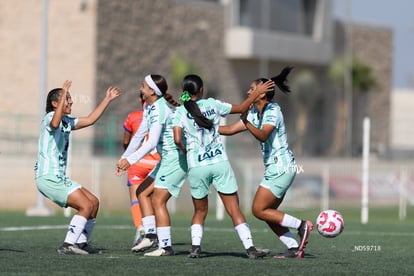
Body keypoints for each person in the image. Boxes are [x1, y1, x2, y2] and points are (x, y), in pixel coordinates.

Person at [172, 74, 275, 259]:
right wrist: (256, 93)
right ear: (201, 89)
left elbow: (177, 139)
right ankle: (250, 248)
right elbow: (242, 108)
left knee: (200, 211)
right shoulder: (212, 104)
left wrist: (186, 151)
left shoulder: (180, 112)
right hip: (219, 163)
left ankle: (195, 247)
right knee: (234, 209)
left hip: (197, 166)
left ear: (185, 92)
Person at [218, 66, 313, 259]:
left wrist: (247, 121)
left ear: (262, 93)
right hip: (276, 168)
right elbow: (228, 130)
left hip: (282, 167)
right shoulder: (253, 113)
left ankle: (302, 225)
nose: (248, 92)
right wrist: (203, 127)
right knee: (268, 212)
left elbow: (263, 135)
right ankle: (294, 247)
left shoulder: (273, 110)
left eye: (252, 89)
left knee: (258, 210)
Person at [34, 80, 121, 255]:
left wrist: (107, 99)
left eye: (70, 98)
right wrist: (64, 89)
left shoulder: (66, 121)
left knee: (94, 202)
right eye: (67, 98)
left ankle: (81, 243)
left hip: (58, 176)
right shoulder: (51, 117)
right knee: (85, 206)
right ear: (55, 104)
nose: (71, 101)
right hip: (48, 177)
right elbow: (54, 124)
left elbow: (90, 120)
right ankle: (68, 244)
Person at [116, 74, 187, 257]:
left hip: (174, 160)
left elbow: (151, 142)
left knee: (157, 200)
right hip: (167, 160)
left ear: (151, 91)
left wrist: (130, 161)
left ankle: (165, 247)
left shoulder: (159, 109)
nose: (140, 89)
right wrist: (123, 158)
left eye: (143, 86)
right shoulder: (151, 107)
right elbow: (139, 135)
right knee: (142, 192)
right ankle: (150, 236)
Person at [122, 92, 161, 249]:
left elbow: (127, 141)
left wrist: (127, 158)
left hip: (137, 163)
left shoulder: (133, 116)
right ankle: (158, 235)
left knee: (136, 198)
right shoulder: (163, 112)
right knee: (156, 201)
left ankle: (141, 230)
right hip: (157, 163)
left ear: (140, 99)